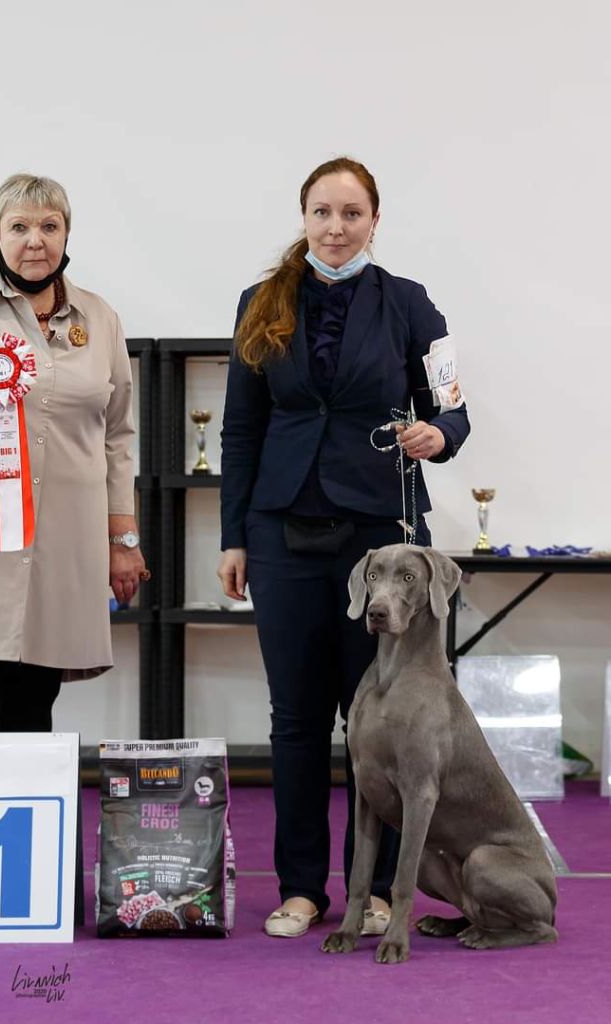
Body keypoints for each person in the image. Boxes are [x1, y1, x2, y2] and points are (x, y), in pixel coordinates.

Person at [217, 156, 470, 937]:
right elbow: (241, 429)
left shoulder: (409, 304)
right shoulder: (261, 303)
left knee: (388, 723)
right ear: (304, 217)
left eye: (350, 213)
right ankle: (301, 888)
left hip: (382, 539)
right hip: (282, 529)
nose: (335, 227)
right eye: (322, 212)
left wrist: (439, 434)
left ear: (374, 220)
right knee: (295, 717)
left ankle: (382, 891)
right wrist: (234, 535)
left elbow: (453, 407)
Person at [0, 173, 147, 920]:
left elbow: (118, 437)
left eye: (49, 226)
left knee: (28, 711)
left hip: (61, 553)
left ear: (66, 236)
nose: (34, 240)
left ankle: (12, 897)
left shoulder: (99, 318)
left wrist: (124, 539)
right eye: (19, 226)